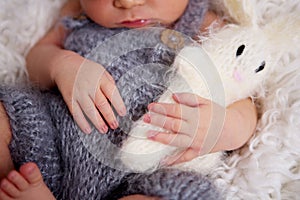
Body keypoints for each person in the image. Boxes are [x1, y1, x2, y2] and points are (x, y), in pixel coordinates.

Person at [0, 0, 257, 199]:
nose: (127, 3)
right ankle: (11, 180)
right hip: (53, 141)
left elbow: (244, 94)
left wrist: (223, 125)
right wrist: (61, 64)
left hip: (146, 173)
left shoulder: (204, 24)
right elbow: (38, 56)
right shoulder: (78, 11)